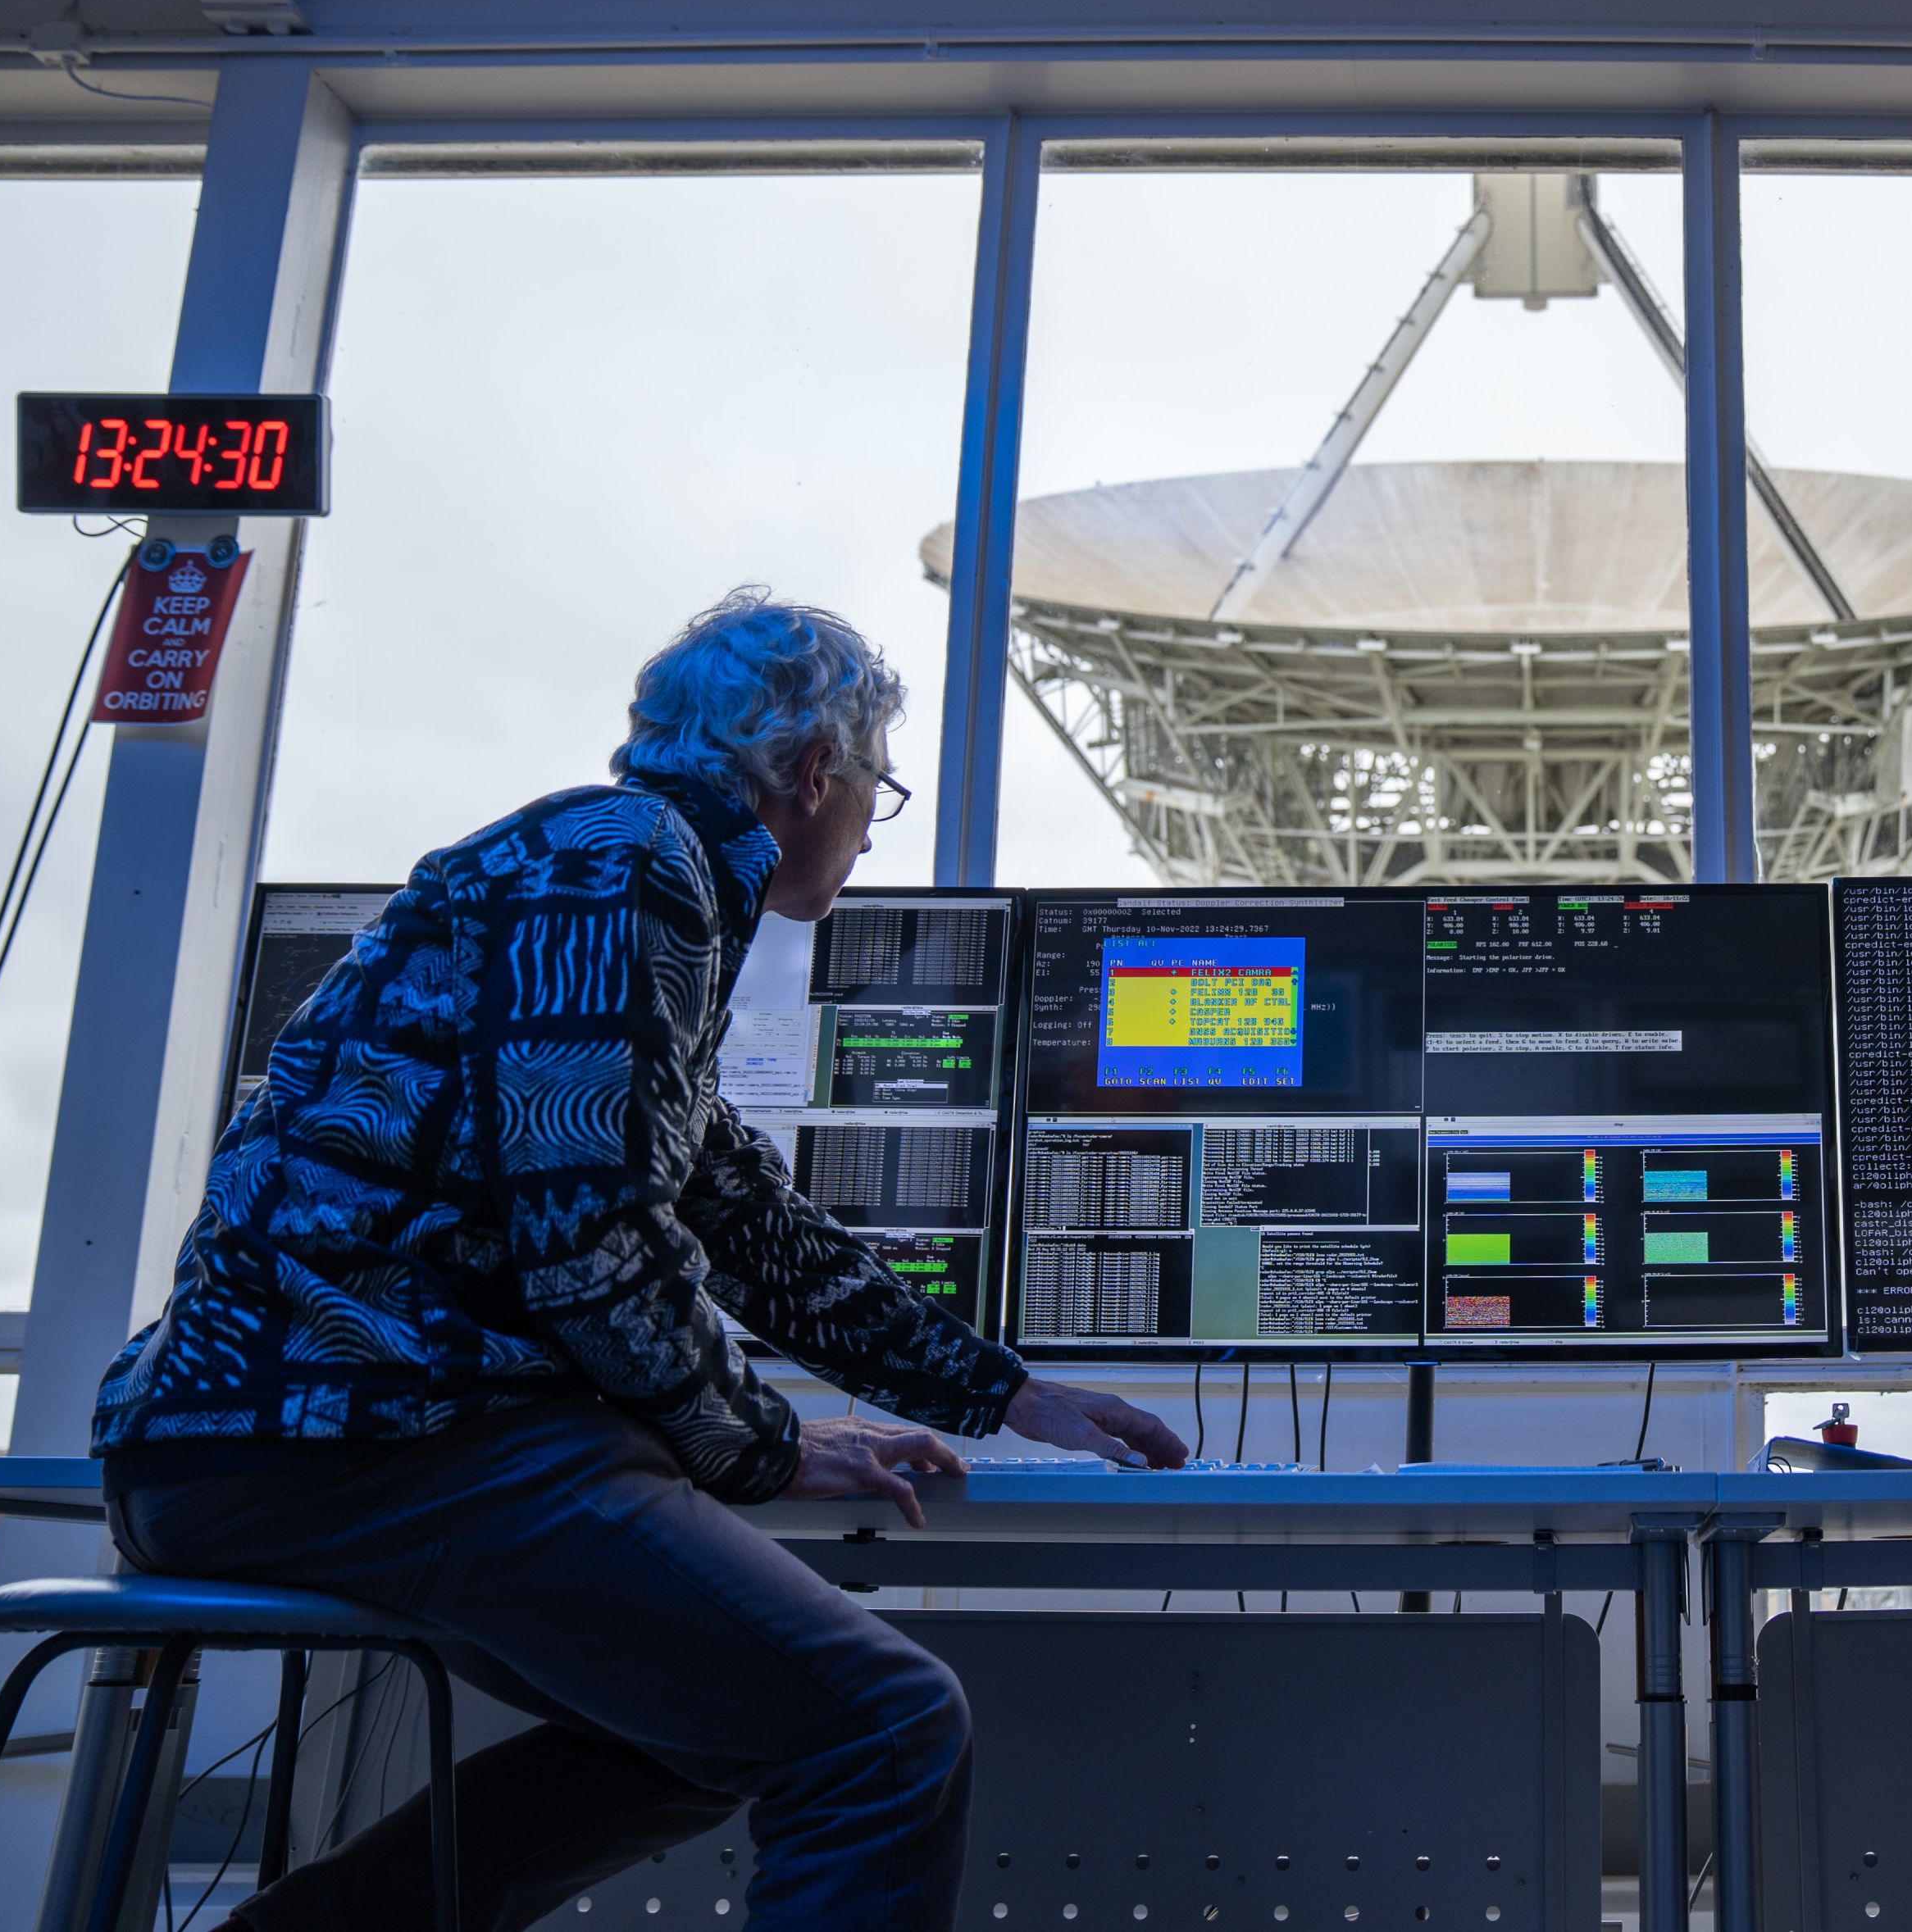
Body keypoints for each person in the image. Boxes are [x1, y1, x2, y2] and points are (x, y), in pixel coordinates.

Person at [93, 590, 1189, 1932]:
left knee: (704, 1726)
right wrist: (760, 1448)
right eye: (878, 794)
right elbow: (587, 1241)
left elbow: (741, 1214)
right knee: (885, 1726)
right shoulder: (626, 869)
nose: (866, 832)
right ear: (814, 775)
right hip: (370, 1442)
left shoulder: (598, 872)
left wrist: (1011, 1395)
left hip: (268, 1440)